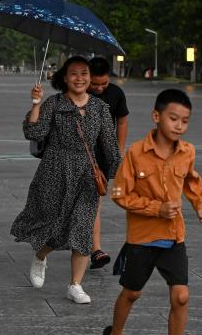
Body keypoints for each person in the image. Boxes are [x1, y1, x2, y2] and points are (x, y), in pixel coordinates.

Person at [102, 89, 202, 335]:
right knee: (132, 293)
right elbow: (120, 195)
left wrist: (199, 205)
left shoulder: (187, 151)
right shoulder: (136, 152)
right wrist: (156, 208)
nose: (178, 125)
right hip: (142, 238)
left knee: (181, 296)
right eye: (173, 118)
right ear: (156, 116)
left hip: (174, 237)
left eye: (185, 121)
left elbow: (191, 180)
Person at [11, 56, 121, 304]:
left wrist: (119, 175)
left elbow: (110, 147)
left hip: (87, 175)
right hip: (55, 171)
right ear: (64, 78)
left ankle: (75, 285)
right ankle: (41, 256)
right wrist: (36, 103)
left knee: (82, 228)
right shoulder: (54, 104)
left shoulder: (100, 109)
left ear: (90, 78)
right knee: (56, 225)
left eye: (84, 73)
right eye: (74, 74)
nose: (80, 78)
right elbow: (34, 132)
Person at [87, 57, 129, 270]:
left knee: (95, 199)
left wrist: (118, 151)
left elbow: (121, 121)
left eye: (103, 83)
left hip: (102, 155)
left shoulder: (115, 94)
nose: (99, 88)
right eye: (95, 84)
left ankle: (96, 249)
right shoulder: (77, 94)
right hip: (77, 154)